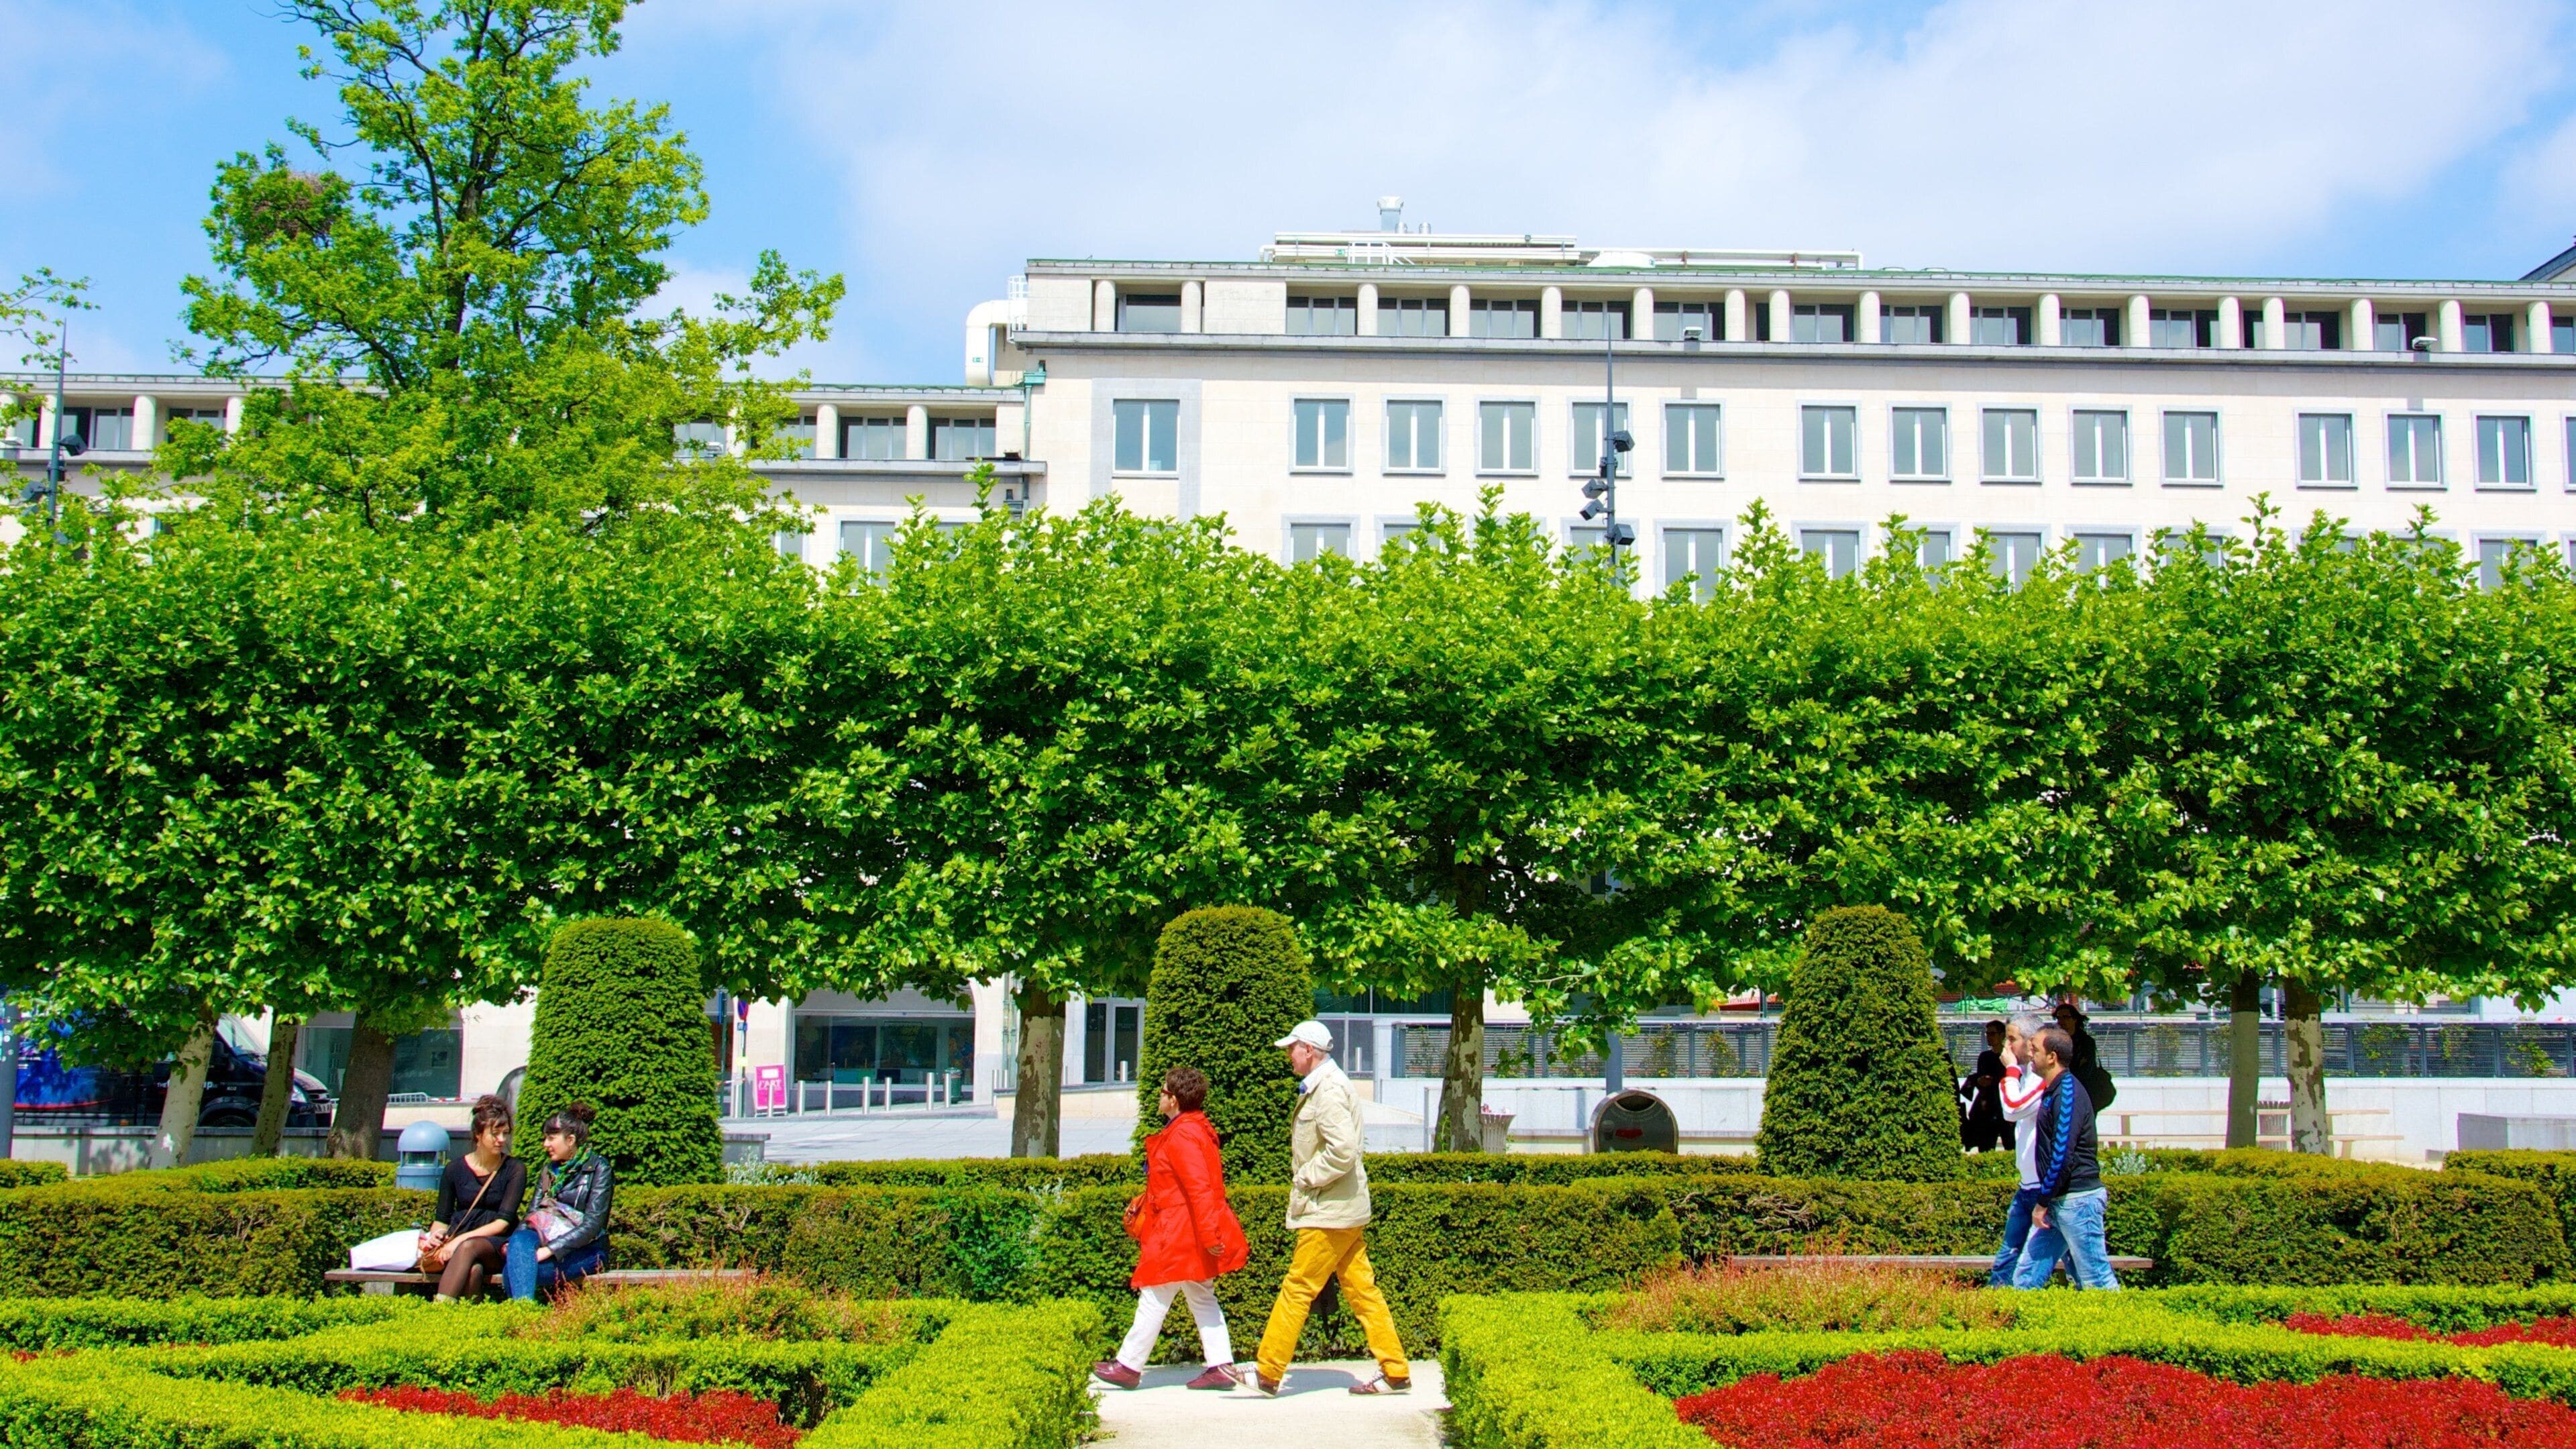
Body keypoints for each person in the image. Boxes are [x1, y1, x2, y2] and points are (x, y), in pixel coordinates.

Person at [1252, 1020, 1410, 1398]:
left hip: (1330, 1210)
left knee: (1298, 1287)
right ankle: (1395, 1371)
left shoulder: (1328, 1089)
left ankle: (1267, 1372)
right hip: (1342, 1208)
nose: (1288, 1055)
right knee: (1362, 1290)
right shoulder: (1328, 1084)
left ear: (1309, 1050)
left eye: (1292, 1048)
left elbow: (1342, 1151)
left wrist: (1306, 1177)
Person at [1093, 1065, 1252, 1391]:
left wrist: (1209, 1235)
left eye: (1163, 1091)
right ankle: (1221, 1367)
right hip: (1188, 1230)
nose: (1159, 1095)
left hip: (1180, 1232)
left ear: (1175, 1100)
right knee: (1201, 1296)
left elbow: (1199, 1188)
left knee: (1155, 1294)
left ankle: (1128, 1366)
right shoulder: (1193, 1128)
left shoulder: (1182, 1135)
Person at [2011, 1026, 2120, 1291]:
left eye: (2035, 1049)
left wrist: (2042, 1202)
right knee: (2026, 1278)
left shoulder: (2068, 1092)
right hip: (2060, 1201)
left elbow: (2062, 1155)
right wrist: (2047, 1200)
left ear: (2052, 1057)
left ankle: (2117, 1318)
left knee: (2096, 1279)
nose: (2030, 1053)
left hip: (2077, 1201)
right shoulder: (2053, 1090)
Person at [420, 1093, 527, 1301]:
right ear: (478, 1134)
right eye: (495, 1134)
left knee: (468, 1248)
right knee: (473, 1271)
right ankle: (472, 1316)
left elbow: (503, 1223)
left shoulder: (515, 1169)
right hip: (458, 1244)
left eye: (505, 1133)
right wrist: (436, 1236)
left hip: (496, 1244)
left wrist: (459, 1241)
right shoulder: (454, 1169)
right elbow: (442, 1218)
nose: (502, 1140)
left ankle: (438, 1312)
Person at [503, 1102, 612, 1301]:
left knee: (517, 1271)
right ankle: (525, 1313)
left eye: (551, 1138)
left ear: (570, 1140)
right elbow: (532, 1215)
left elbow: (593, 1225)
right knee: (519, 1241)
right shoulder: (549, 1170)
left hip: (587, 1249)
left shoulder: (599, 1168)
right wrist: (513, 1246)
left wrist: (550, 1250)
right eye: (545, 1138)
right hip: (545, 1239)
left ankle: (522, 1314)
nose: (545, 1144)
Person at [1986, 1014, 2049, 1287]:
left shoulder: (2042, 1080)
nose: (2006, 1047)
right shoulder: (2026, 1076)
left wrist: (2010, 1070)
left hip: (2042, 1188)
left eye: (2012, 1039)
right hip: (2026, 1187)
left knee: (2069, 1257)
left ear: (2031, 1042)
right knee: (2008, 1254)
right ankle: (1995, 1300)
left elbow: (2012, 1109)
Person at [2054, 1000, 2116, 1111]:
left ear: (2075, 1019)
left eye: (2066, 1017)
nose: (2061, 1021)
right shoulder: (2056, 1042)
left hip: (2085, 1094)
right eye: (2058, 1018)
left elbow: (2085, 1070)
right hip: (2062, 1093)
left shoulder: (2086, 1042)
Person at [1959, 1020, 2008, 1152]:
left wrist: (1994, 1081)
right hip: (1987, 1109)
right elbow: (1981, 1078)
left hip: (2004, 1107)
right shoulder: (1984, 1057)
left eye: (1992, 1034)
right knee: (1985, 1147)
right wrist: (1980, 1081)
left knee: (2010, 1144)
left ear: (2002, 1035)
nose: (1989, 1037)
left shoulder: (2008, 1057)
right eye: (1987, 1034)